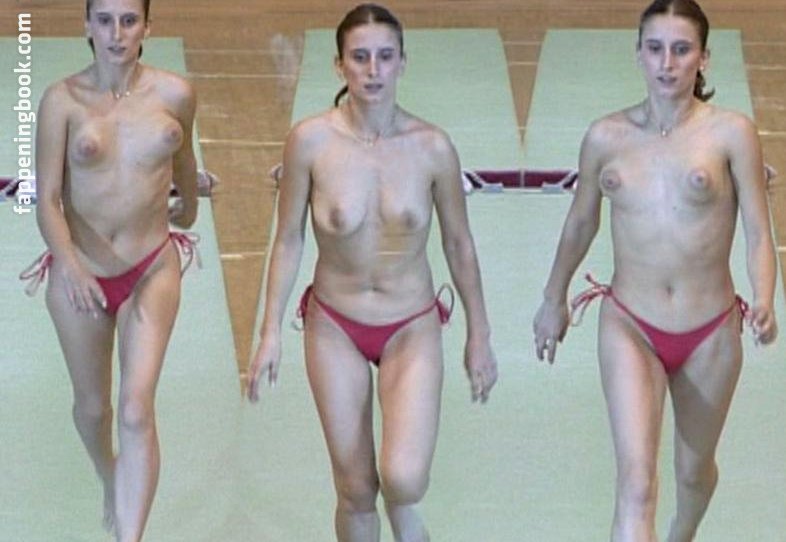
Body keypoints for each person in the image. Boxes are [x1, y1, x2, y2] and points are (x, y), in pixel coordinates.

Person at [246, 4, 497, 541]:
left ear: (403, 62)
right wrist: (269, 332)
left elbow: (460, 244)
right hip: (334, 324)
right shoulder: (309, 141)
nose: (373, 70)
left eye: (385, 57)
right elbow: (288, 238)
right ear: (339, 66)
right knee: (356, 488)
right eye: (359, 58)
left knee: (404, 480)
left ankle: (404, 517)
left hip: (411, 324)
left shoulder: (433, 147)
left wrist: (479, 334)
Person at [532, 1, 778, 540]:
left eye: (681, 50)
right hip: (630, 324)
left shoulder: (732, 133)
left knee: (693, 472)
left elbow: (760, 230)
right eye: (655, 49)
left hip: (711, 332)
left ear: (703, 58)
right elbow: (580, 223)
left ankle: (682, 533)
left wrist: (764, 297)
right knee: (636, 485)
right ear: (638, 54)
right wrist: (553, 298)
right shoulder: (605, 137)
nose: (667, 63)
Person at [21, 0, 198, 540]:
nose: (117, 34)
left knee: (136, 409)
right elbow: (48, 199)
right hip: (81, 271)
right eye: (105, 21)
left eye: (128, 20)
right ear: (87, 26)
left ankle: (129, 535)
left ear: (148, 26)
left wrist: (188, 209)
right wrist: (71, 265)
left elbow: (185, 169)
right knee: (94, 409)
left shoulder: (176, 94)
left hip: (152, 267)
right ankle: (109, 474)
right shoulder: (60, 100)